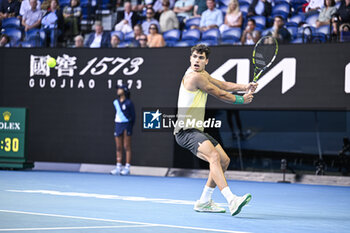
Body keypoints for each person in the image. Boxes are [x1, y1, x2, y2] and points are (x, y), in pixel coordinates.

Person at [174, 44, 257, 216]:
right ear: (190, 58)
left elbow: (222, 84)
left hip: (197, 130)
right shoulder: (193, 77)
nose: (197, 60)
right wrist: (241, 100)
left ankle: (204, 201)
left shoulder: (203, 74)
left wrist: (245, 86)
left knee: (224, 161)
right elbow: (219, 94)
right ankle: (232, 199)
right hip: (185, 131)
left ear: (206, 61)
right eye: (195, 56)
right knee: (213, 156)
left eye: (201, 58)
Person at [110, 84, 135, 176]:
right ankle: (118, 167)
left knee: (126, 146)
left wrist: (129, 127)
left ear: (124, 90)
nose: (118, 90)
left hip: (126, 125)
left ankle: (127, 167)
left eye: (119, 89)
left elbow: (133, 116)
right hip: (118, 124)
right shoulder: (116, 102)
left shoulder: (129, 103)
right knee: (118, 147)